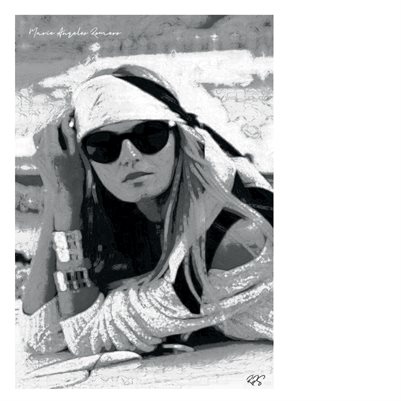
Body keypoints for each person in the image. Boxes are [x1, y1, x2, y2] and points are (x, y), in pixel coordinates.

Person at [20, 65, 273, 356]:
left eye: (149, 135)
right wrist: (58, 193)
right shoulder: (139, 220)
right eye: (103, 145)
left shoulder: (233, 236)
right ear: (84, 160)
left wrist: (65, 196)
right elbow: (41, 335)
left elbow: (86, 337)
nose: (130, 156)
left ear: (180, 138)